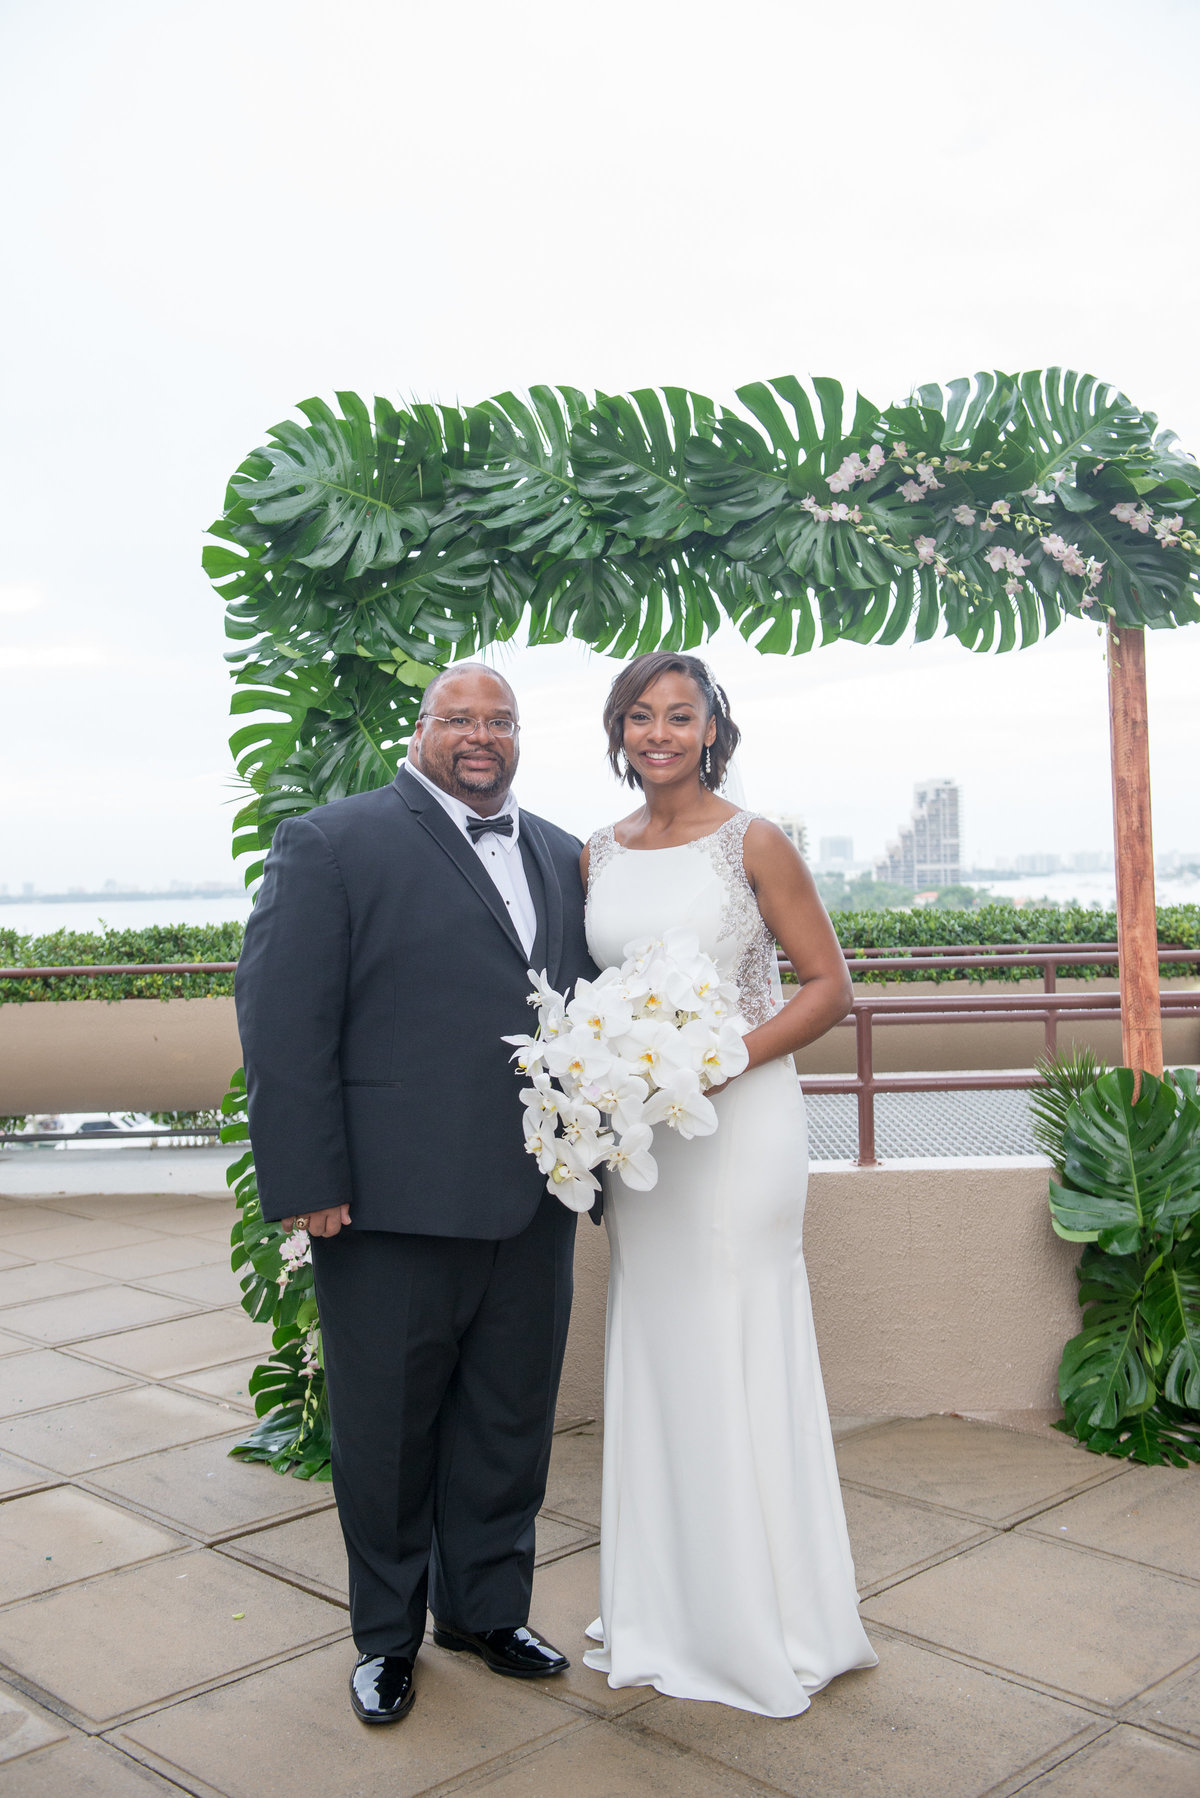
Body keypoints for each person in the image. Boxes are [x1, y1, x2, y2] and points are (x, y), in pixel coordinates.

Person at [235, 664, 595, 1725]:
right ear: (422, 729)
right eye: (459, 719)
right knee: (387, 1432)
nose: (480, 736)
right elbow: (282, 1019)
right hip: (385, 1204)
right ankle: (385, 1635)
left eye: (500, 720)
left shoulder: (563, 852)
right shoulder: (333, 841)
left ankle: (487, 1609)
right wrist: (310, 1180)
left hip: (534, 1198)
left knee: (508, 1418)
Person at [579, 650, 878, 1718]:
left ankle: (770, 1615)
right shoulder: (592, 856)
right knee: (660, 1343)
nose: (658, 732)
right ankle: (668, 1605)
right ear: (619, 735)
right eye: (639, 716)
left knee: (735, 1338)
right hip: (649, 1150)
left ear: (712, 729)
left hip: (739, 1124)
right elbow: (595, 1001)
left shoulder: (754, 841)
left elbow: (830, 985)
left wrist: (724, 1058)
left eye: (679, 716)